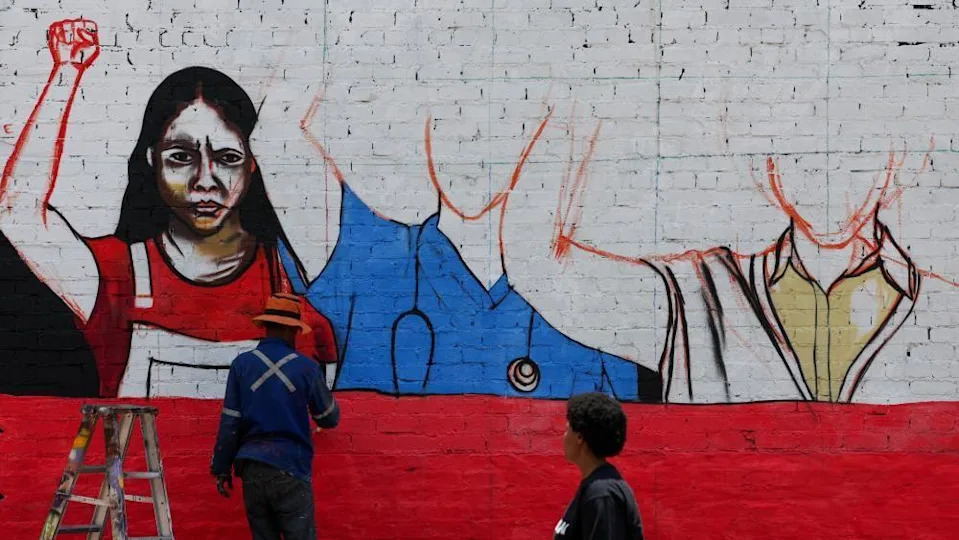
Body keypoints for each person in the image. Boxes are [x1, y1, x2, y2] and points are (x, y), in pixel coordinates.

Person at [0, 18, 337, 398]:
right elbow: (18, 212)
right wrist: (66, 71)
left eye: (227, 157)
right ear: (152, 159)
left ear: (252, 165)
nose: (205, 180)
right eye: (181, 156)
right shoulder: (117, 277)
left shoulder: (288, 277)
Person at [211, 293, 340, 540]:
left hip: (252, 468)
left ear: (267, 326)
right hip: (291, 466)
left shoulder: (242, 365)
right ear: (292, 330)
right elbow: (328, 417)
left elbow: (230, 422)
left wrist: (221, 468)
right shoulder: (307, 368)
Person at [555, 392, 643, 540]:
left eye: (567, 429)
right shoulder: (596, 487)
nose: (564, 436)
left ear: (580, 437)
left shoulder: (602, 494)